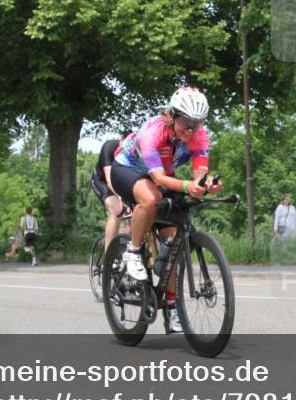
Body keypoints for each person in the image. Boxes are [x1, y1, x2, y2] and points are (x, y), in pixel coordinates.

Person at [110, 87, 223, 334]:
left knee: (172, 240)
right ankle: (132, 251)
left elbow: (199, 175)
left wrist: (207, 185)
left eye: (197, 124)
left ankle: (172, 308)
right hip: (128, 169)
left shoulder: (199, 136)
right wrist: (187, 185)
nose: (191, 129)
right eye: (186, 122)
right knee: (151, 199)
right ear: (172, 116)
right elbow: (158, 178)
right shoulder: (153, 132)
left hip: (161, 176)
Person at [90, 138, 125, 252]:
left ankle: (124, 245)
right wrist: (120, 197)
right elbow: (109, 180)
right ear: (122, 139)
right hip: (102, 181)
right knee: (117, 210)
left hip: (121, 183)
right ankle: (108, 255)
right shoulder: (109, 147)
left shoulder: (137, 151)